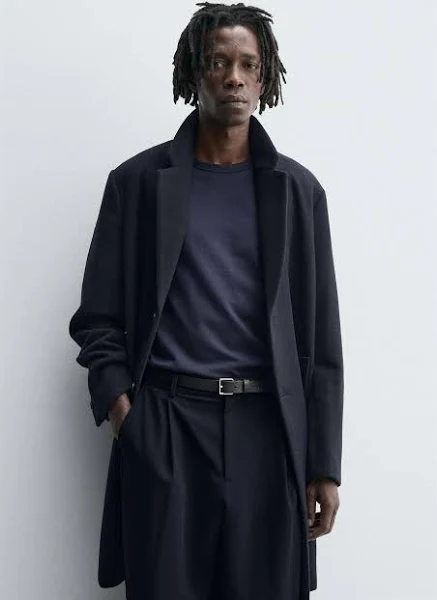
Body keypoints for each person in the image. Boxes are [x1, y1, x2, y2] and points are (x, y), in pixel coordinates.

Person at [68, 2, 344, 599]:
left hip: (268, 429)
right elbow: (98, 317)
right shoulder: (137, 184)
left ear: (265, 78)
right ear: (195, 73)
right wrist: (125, 416)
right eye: (219, 63)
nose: (234, 78)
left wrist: (323, 463)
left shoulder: (298, 192)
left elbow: (321, 341)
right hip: (168, 422)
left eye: (248, 64)